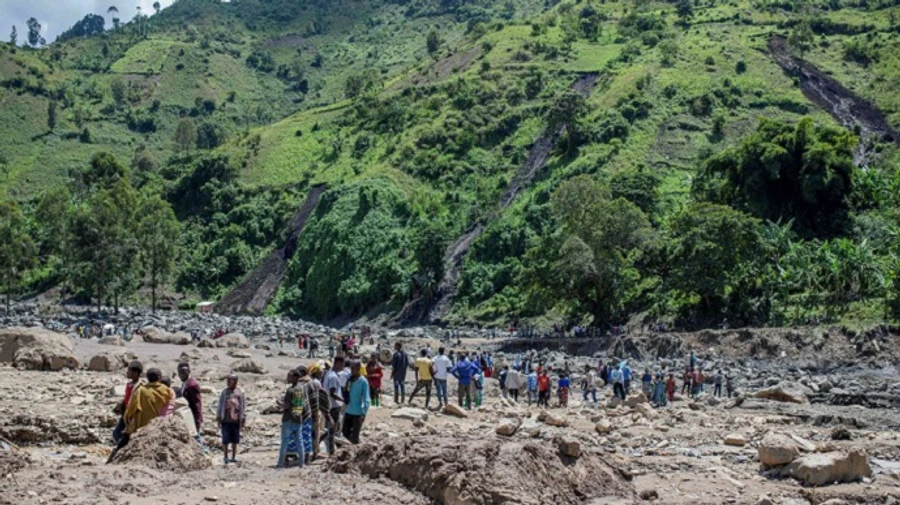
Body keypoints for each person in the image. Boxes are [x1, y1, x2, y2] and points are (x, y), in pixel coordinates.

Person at [108, 368, 173, 463]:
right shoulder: (166, 390)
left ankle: (113, 458)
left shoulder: (141, 390)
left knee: (125, 439)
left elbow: (132, 408)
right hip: (156, 423)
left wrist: (127, 419)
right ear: (159, 378)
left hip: (140, 423)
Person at [277, 368, 306, 468]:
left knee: (285, 442)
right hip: (298, 418)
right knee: (299, 442)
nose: (287, 378)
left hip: (289, 418)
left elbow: (287, 405)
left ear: (295, 377)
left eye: (289, 376)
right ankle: (302, 463)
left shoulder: (290, 390)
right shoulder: (301, 388)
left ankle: (280, 464)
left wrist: (279, 403)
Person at [216, 373, 246, 464]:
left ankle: (233, 456)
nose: (228, 382)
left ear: (235, 381)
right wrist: (218, 417)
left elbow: (242, 406)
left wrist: (243, 417)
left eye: (230, 380)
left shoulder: (239, 392)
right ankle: (225, 457)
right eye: (227, 380)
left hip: (236, 420)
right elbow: (220, 404)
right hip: (226, 419)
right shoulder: (224, 392)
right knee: (225, 439)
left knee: (235, 440)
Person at [112, 360, 143, 444]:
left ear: (135, 373)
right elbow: (127, 397)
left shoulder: (140, 387)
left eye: (129, 370)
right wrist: (121, 404)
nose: (127, 372)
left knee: (118, 433)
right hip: (125, 412)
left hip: (131, 413)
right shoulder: (129, 384)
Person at [342, 360, 370, 444]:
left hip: (358, 413)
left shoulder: (363, 382)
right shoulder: (349, 380)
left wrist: (364, 413)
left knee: (355, 437)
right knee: (344, 435)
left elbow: (366, 399)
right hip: (348, 411)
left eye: (353, 369)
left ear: (358, 368)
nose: (351, 370)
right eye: (351, 368)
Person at [324, 357, 345, 455]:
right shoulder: (333, 376)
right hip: (334, 406)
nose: (343, 366)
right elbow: (332, 393)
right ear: (337, 363)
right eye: (342, 364)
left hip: (330, 405)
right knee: (333, 429)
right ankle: (331, 451)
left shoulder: (330, 373)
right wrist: (343, 400)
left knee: (331, 428)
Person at [177, 363, 203, 434]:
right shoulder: (184, 383)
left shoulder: (192, 385)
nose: (181, 374)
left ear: (189, 372)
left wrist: (198, 420)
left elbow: (197, 403)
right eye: (180, 372)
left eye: (184, 372)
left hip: (192, 417)